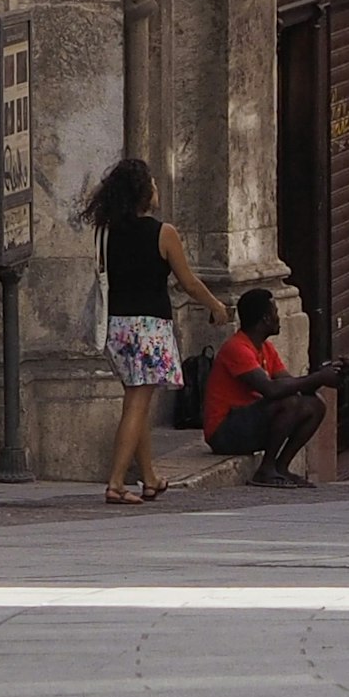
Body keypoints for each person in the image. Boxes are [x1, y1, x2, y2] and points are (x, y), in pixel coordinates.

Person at [85, 155, 224, 505]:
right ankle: (116, 483)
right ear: (143, 192)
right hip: (148, 328)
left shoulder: (106, 231)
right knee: (136, 404)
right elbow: (188, 282)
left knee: (138, 401)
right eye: (153, 182)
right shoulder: (164, 233)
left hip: (116, 328)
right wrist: (216, 306)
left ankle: (149, 477)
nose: (157, 188)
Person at [200, 287, 342, 486]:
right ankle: (266, 468)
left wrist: (326, 377)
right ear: (265, 319)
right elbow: (271, 389)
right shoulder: (237, 348)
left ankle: (280, 466)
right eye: (275, 313)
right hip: (224, 431)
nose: (279, 318)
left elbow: (291, 385)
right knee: (289, 402)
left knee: (315, 405)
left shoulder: (265, 347)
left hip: (246, 421)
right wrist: (318, 378)